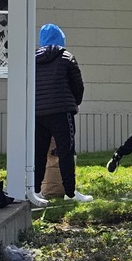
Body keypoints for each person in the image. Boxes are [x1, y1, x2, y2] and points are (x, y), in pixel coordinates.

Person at [31, 24, 91, 206]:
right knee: (66, 151)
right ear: (61, 40)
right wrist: (75, 103)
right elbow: (78, 85)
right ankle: (70, 193)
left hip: (38, 112)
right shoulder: (67, 58)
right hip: (61, 111)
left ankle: (36, 191)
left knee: (39, 152)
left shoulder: (32, 59)